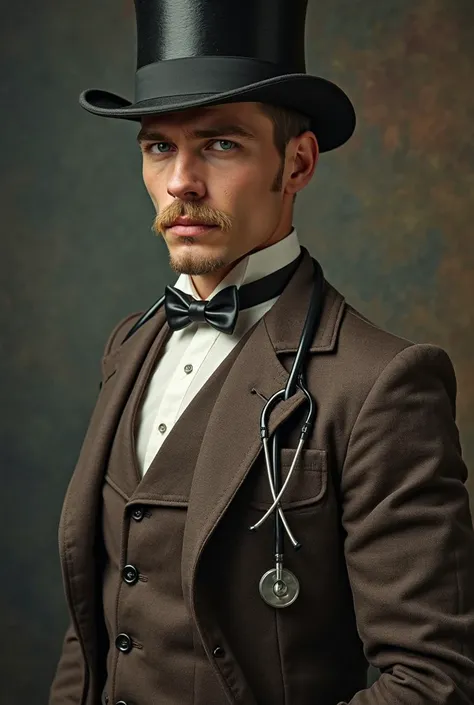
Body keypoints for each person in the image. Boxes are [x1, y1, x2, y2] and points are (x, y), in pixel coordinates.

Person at [49, 0, 474, 704]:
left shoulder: (383, 384)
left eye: (221, 144)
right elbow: (90, 629)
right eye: (160, 146)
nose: (181, 181)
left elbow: (433, 680)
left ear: (297, 162)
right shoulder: (127, 344)